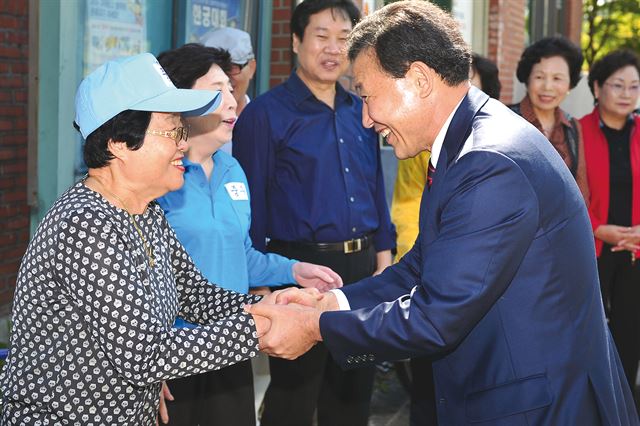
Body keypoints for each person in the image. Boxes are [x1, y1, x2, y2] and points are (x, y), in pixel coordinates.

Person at [244, 1, 640, 425]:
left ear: (418, 79)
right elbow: (423, 265)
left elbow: (436, 315)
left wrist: (314, 326)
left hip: (538, 405)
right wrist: (330, 302)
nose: (365, 118)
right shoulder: (467, 141)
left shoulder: (490, 161)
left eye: (366, 95)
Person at [0, 53, 271, 425]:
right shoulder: (85, 224)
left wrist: (270, 306)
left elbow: (194, 294)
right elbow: (145, 355)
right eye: (172, 130)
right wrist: (263, 331)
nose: (182, 143)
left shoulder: (145, 210)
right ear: (119, 143)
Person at [155, 43, 343, 426]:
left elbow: (242, 254)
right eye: (216, 90)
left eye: (231, 89)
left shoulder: (233, 170)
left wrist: (293, 271)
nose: (233, 102)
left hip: (231, 343)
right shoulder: (157, 176)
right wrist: (145, 366)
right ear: (179, 99)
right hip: (173, 356)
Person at [233, 0, 396, 424]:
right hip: (298, 269)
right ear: (296, 42)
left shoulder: (361, 107)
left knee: (353, 393)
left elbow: (376, 185)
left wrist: (384, 256)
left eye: (343, 39)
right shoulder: (265, 115)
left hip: (361, 272)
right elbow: (252, 207)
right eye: (321, 36)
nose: (333, 48)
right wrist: (261, 284)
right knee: (293, 395)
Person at [390, 52, 502, 426]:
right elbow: (412, 223)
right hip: (425, 280)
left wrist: (320, 324)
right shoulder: (428, 150)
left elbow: (445, 309)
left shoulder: (484, 160)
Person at [580, 49, 640, 398]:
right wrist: (597, 227)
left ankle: (626, 410)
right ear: (598, 86)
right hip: (592, 251)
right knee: (590, 338)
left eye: (634, 87)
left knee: (630, 336)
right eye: (617, 85)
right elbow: (569, 192)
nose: (626, 94)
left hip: (635, 254)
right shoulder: (578, 131)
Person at [510, 36, 589, 200]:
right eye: (539, 77)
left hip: (563, 224)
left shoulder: (573, 127)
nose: (547, 87)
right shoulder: (505, 119)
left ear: (570, 84)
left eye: (557, 78)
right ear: (527, 78)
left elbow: (581, 192)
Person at [201, 27, 256, 156]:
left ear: (252, 68)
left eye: (232, 67)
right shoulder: (190, 125)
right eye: (216, 69)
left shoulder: (263, 121)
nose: (224, 77)